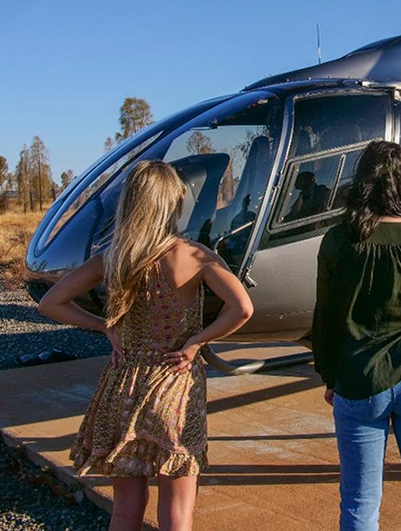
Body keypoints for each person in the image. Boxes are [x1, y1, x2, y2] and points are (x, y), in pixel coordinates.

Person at [38, 160, 255, 531]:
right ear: (173, 204)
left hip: (123, 386)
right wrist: (197, 341)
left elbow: (50, 303)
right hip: (175, 387)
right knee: (177, 511)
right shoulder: (195, 256)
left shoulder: (112, 258)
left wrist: (104, 325)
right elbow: (243, 308)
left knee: (126, 508)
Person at [312, 141, 401, 531]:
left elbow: (324, 318)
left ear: (362, 181)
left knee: (359, 503)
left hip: (358, 378)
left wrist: (329, 375)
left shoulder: (337, 240)